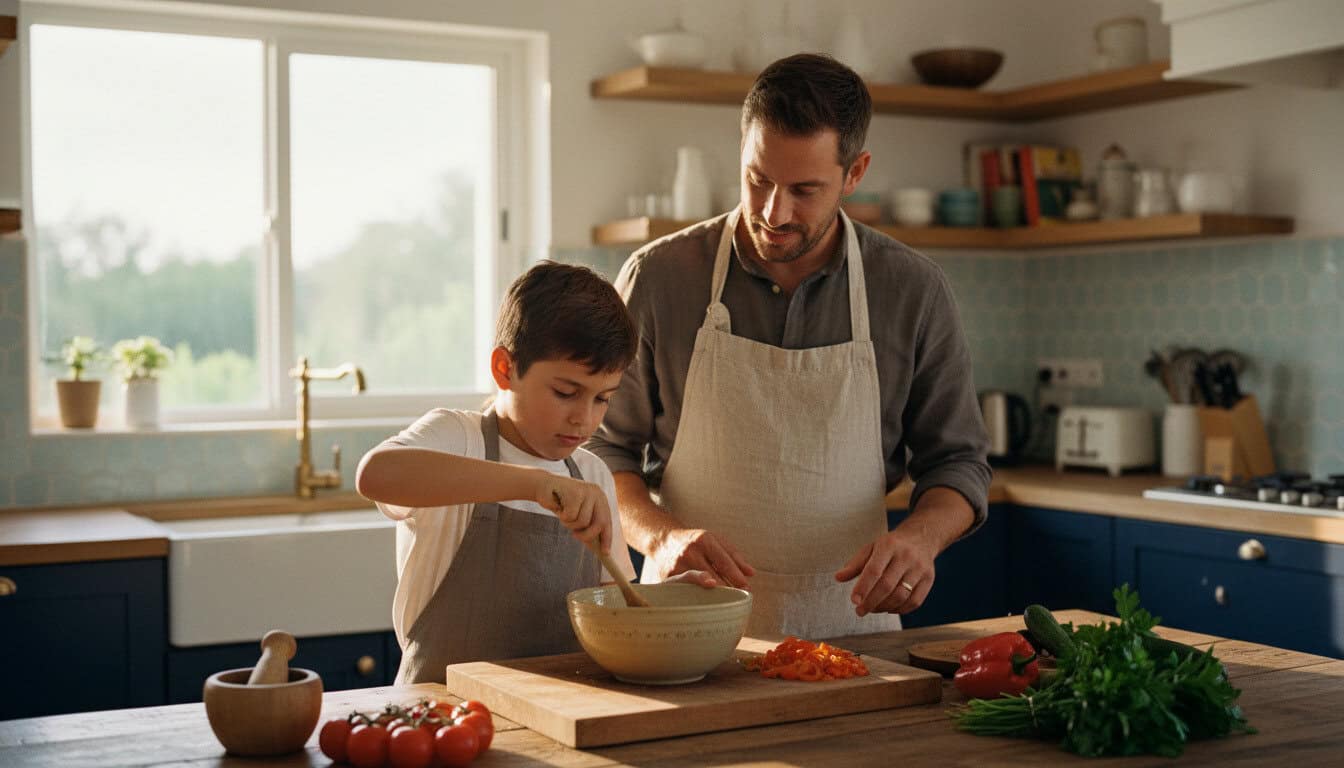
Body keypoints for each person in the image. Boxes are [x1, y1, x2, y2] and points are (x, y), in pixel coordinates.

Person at [587, 54, 992, 640]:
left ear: (855, 174)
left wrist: (918, 539)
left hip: (853, 631)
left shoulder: (912, 290)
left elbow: (959, 462)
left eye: (805, 190)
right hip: (683, 626)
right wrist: (660, 536)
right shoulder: (660, 277)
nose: (775, 212)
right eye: (758, 179)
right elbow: (602, 449)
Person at [357, 262, 712, 685]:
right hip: (442, 713)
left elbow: (607, 603)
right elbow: (376, 474)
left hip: (558, 712)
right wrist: (535, 482)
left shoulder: (592, 473)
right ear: (505, 369)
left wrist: (662, 602)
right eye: (566, 392)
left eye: (603, 399)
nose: (584, 419)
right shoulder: (458, 436)